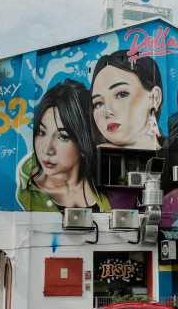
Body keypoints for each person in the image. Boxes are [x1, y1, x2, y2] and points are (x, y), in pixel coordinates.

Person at [17, 79, 110, 212]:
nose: (47, 149)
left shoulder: (106, 188)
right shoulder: (26, 190)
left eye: (62, 137)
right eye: (41, 132)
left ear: (85, 142)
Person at [91, 50, 164, 149]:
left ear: (154, 98)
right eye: (99, 103)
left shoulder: (176, 159)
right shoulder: (94, 160)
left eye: (121, 94)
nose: (108, 112)